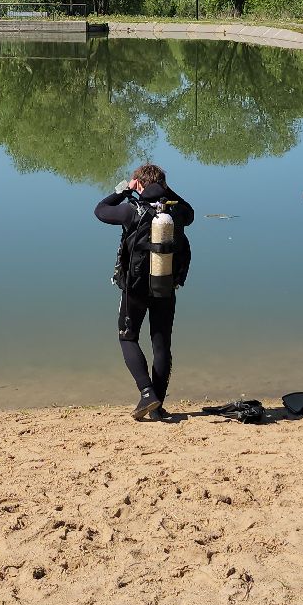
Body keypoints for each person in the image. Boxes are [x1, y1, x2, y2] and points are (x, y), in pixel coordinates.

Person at [96, 163, 194, 421]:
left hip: (135, 289)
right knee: (161, 345)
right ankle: (158, 407)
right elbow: (192, 212)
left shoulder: (131, 211)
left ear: (138, 184)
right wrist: (164, 190)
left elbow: (101, 210)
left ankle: (147, 393)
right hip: (165, 286)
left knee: (127, 338)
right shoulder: (176, 213)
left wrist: (124, 190)